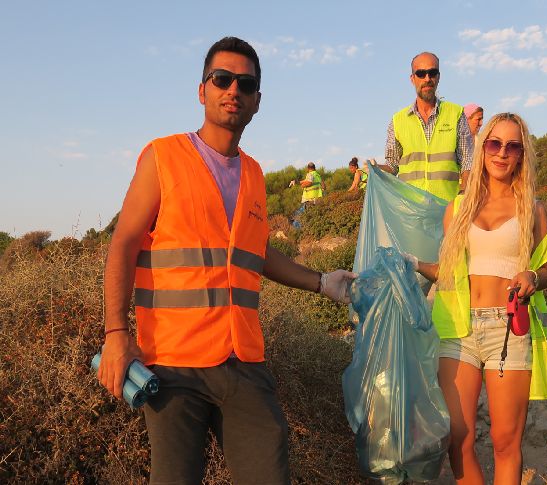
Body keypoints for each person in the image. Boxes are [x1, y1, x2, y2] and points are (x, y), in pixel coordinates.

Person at [97, 36, 355, 485]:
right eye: (222, 79)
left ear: (257, 101)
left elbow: (256, 254)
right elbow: (123, 243)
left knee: (269, 470)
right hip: (172, 362)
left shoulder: (254, 174)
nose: (233, 89)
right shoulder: (163, 157)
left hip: (242, 360)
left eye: (245, 83)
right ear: (203, 91)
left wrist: (322, 282)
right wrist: (117, 333)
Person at [409, 113, 547, 484]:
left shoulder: (533, 210)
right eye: (494, 143)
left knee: (505, 440)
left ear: (522, 154)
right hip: (457, 329)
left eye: (512, 146)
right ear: (482, 149)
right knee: (456, 437)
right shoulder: (457, 209)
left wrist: (534, 276)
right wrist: (410, 263)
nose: (502, 153)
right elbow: (448, 273)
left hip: (508, 329)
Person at [384, 52, 473, 203]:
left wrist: (464, 196)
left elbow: (467, 162)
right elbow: (392, 166)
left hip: (447, 210)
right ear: (412, 79)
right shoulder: (397, 120)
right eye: (421, 73)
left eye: (432, 73)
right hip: (411, 212)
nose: (427, 79)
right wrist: (374, 170)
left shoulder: (456, 114)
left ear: (439, 77)